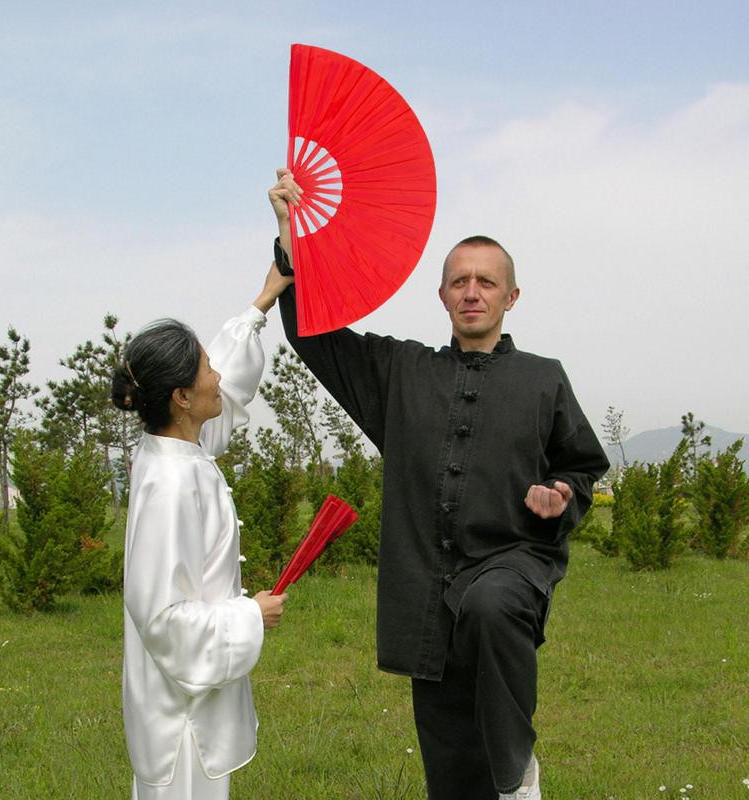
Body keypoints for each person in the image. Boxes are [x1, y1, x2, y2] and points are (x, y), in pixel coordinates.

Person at [267, 169, 609, 800]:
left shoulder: (544, 379)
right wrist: (291, 241)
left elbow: (583, 465)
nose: (472, 292)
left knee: (489, 604)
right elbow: (314, 334)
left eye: (487, 282)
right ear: (443, 295)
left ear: (512, 297)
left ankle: (517, 775)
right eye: (460, 281)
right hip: (426, 585)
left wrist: (561, 491)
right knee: (449, 762)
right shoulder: (400, 372)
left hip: (513, 565)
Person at [110, 264, 293, 800]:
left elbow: (229, 388)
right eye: (204, 368)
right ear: (180, 398)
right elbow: (161, 620)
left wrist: (265, 299)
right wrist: (249, 614)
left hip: (190, 703)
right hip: (178, 718)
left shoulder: (182, 445)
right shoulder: (169, 485)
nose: (216, 375)